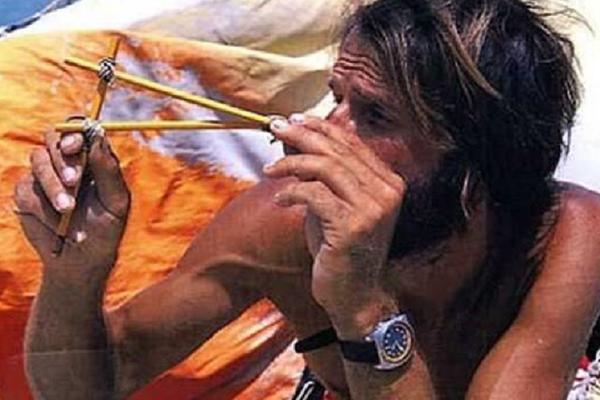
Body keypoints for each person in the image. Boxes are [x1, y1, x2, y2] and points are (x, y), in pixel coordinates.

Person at [13, 0, 600, 399]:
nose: (313, 133)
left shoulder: (562, 237)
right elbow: (90, 382)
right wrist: (74, 274)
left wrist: (362, 303)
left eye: (375, 116)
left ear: (475, 164)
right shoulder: (284, 220)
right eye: (335, 98)